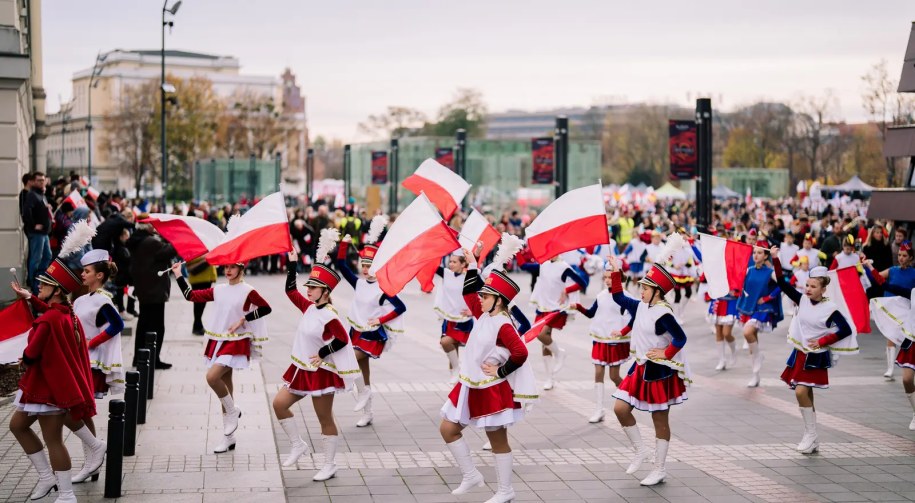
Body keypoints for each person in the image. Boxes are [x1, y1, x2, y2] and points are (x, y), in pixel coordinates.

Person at [440, 251, 537, 503]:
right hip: (469, 384)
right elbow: (468, 292)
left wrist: (501, 371)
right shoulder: (484, 314)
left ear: (499, 300)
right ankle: (471, 475)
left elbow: (521, 352)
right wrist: (473, 263)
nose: (480, 299)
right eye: (482, 295)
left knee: (497, 440)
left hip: (491, 388)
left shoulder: (503, 323)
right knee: (447, 428)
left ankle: (506, 491)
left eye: (485, 296)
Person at [9, 256, 95, 503]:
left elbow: (31, 353)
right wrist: (30, 298)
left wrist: (21, 356)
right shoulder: (66, 313)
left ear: (56, 290)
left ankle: (66, 494)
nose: (40, 287)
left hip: (46, 390)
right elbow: (49, 313)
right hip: (43, 387)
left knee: (53, 440)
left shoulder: (49, 319)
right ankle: (47, 477)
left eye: (44, 285)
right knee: (17, 425)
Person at [274, 242, 360, 481]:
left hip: (321, 372)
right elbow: (291, 292)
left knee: (324, 418)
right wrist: (291, 264)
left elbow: (344, 339)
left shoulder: (330, 315)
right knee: (279, 404)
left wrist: (323, 353)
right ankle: (297, 444)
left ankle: (329, 464)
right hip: (301, 369)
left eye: (313, 287)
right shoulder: (309, 307)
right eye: (309, 286)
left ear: (325, 291)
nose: (308, 290)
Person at [607, 249, 690, 487]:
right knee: (620, 408)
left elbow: (680, 338)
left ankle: (659, 468)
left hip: (659, 372)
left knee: (659, 421)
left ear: (657, 291)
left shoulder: (663, 314)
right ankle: (641, 450)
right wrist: (616, 271)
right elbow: (619, 298)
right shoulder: (641, 306)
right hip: (640, 367)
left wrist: (666, 353)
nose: (640, 291)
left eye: (644, 288)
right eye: (641, 287)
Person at [171, 259, 272, 453]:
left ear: (242, 268)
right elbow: (190, 295)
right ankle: (229, 437)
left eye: (232, 266)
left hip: (236, 342)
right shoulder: (219, 289)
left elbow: (266, 308)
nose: (228, 270)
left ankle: (233, 411)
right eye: (226, 267)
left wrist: (244, 318)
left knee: (212, 377)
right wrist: (178, 274)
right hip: (219, 341)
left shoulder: (248, 290)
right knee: (225, 386)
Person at [771, 252, 857, 453]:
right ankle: (812, 437)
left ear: (823, 289)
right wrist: (775, 259)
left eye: (813, 286)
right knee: (806, 392)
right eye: (807, 285)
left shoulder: (830, 309)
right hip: (801, 352)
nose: (808, 289)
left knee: (801, 391)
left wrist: (823, 340)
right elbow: (782, 284)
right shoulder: (801, 300)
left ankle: (811, 435)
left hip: (815, 355)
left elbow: (845, 329)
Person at [335, 230, 406, 428]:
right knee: (363, 371)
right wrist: (344, 244)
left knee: (351, 358)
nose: (365, 269)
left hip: (373, 335)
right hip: (357, 331)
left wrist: (381, 319)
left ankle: (364, 394)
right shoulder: (358, 283)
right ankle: (368, 413)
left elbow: (401, 307)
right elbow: (341, 265)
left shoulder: (383, 289)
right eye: (363, 265)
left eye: (369, 266)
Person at [574, 265, 633, 423]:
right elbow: (591, 313)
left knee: (614, 376)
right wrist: (578, 307)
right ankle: (599, 410)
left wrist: (623, 330)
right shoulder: (600, 295)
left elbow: (634, 317)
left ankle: (630, 397)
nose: (607, 280)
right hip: (600, 338)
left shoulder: (626, 297)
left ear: (618, 278)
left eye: (610, 277)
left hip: (615, 340)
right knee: (598, 372)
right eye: (605, 277)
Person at [526, 254, 586, 390]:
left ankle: (559, 353)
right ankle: (550, 378)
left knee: (541, 335)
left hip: (557, 307)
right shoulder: (543, 264)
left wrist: (567, 290)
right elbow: (524, 266)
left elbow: (583, 283)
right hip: (543, 307)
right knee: (544, 342)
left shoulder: (564, 267)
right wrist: (514, 250)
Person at [127, 219, 178, 369]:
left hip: (144, 289)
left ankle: (139, 357)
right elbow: (169, 252)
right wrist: (174, 238)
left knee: (143, 325)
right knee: (157, 327)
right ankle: (154, 359)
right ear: (148, 226)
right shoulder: (150, 242)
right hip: (154, 290)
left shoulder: (137, 240)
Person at [865, 241, 915, 381]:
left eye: (904, 255)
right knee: (891, 337)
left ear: (911, 257)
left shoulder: (914, 273)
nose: (901, 258)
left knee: (908, 338)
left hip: (906, 309)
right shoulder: (892, 270)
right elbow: (877, 279)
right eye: (899, 255)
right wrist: (867, 268)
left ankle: (908, 365)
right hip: (890, 307)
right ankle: (890, 368)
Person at [737, 242, 783, 387]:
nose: (755, 255)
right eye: (754, 252)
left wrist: (768, 297)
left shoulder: (770, 272)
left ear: (765, 256)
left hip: (762, 309)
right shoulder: (749, 270)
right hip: (749, 308)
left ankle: (759, 357)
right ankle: (756, 375)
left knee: (747, 332)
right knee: (752, 343)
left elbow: (783, 283)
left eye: (759, 253)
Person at [434, 250, 474, 385]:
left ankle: (460, 371)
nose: (450, 264)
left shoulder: (470, 277)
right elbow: (431, 265)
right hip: (449, 318)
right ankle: (455, 373)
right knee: (448, 345)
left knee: (449, 343)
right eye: (450, 261)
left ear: (463, 264)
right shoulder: (446, 274)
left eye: (454, 262)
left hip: (464, 320)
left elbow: (482, 294)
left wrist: (472, 310)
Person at [21, 172, 53, 294]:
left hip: (44, 233)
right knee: (36, 259)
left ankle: (39, 280)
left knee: (47, 256)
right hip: (37, 233)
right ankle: (34, 285)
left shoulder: (41, 194)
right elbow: (26, 211)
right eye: (39, 180)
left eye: (43, 180)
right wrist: (34, 224)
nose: (41, 182)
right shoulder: (32, 195)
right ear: (34, 181)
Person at [186, 256, 218, 336]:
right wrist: (206, 258)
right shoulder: (194, 250)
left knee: (201, 304)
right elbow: (189, 261)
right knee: (198, 304)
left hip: (207, 278)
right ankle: (197, 326)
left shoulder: (207, 247)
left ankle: (198, 325)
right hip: (199, 279)